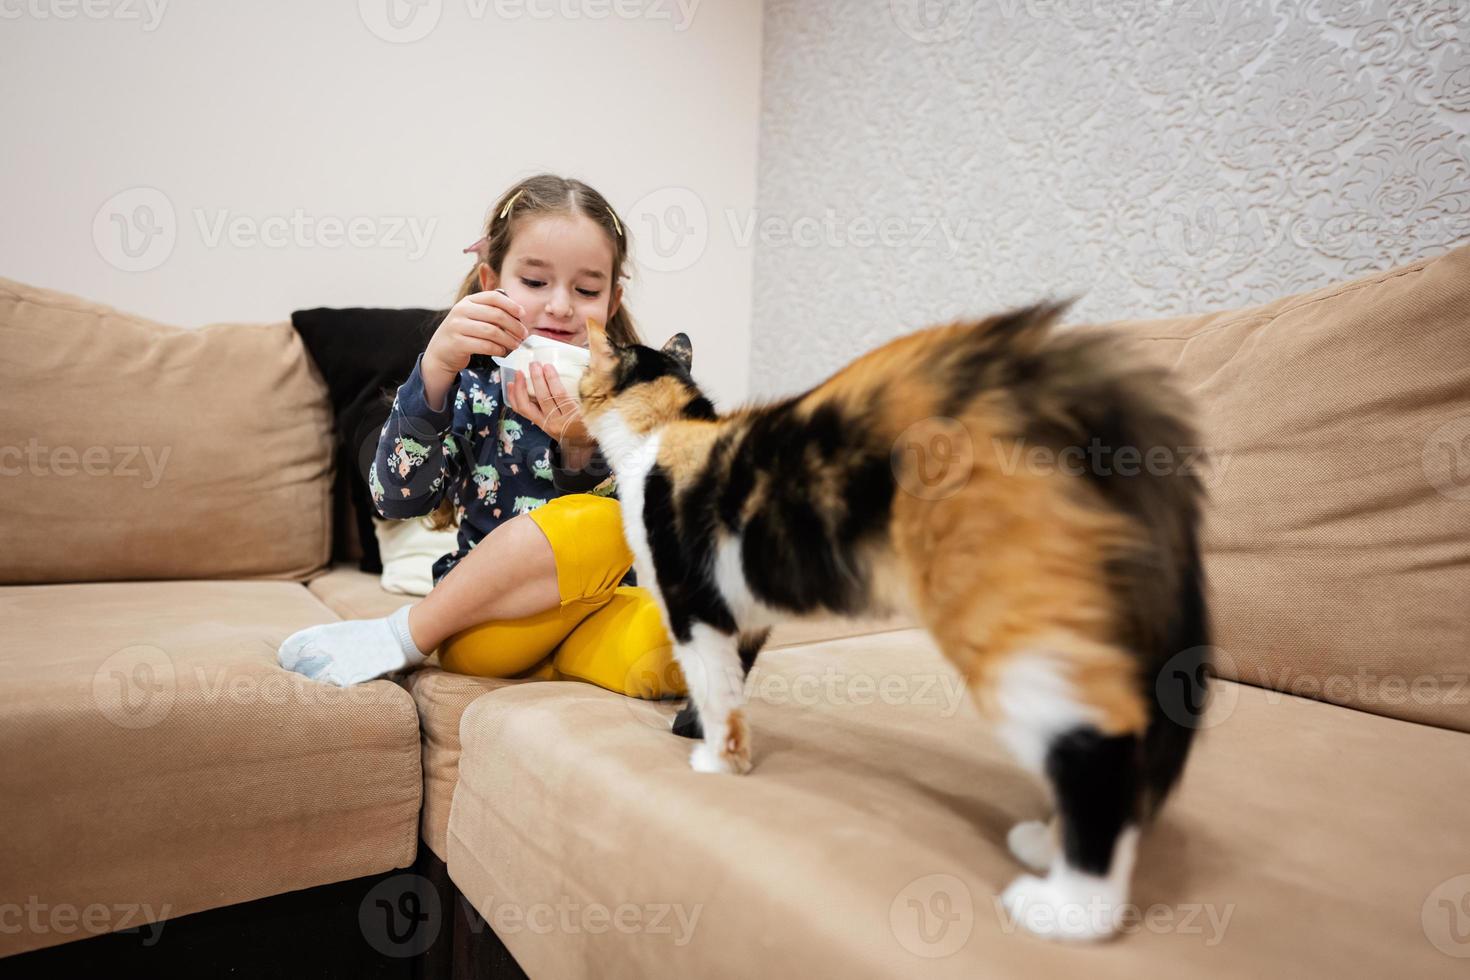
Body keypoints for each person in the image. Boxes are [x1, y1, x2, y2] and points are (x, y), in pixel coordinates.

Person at [277, 174, 682, 699]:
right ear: (491, 281)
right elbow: (397, 498)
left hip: (595, 608)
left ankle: (556, 664)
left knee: (673, 637)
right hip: (484, 629)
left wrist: (584, 444)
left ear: (612, 299)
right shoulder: (473, 386)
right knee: (595, 523)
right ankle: (402, 634)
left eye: (586, 290)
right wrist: (435, 372)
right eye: (535, 282)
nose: (560, 305)